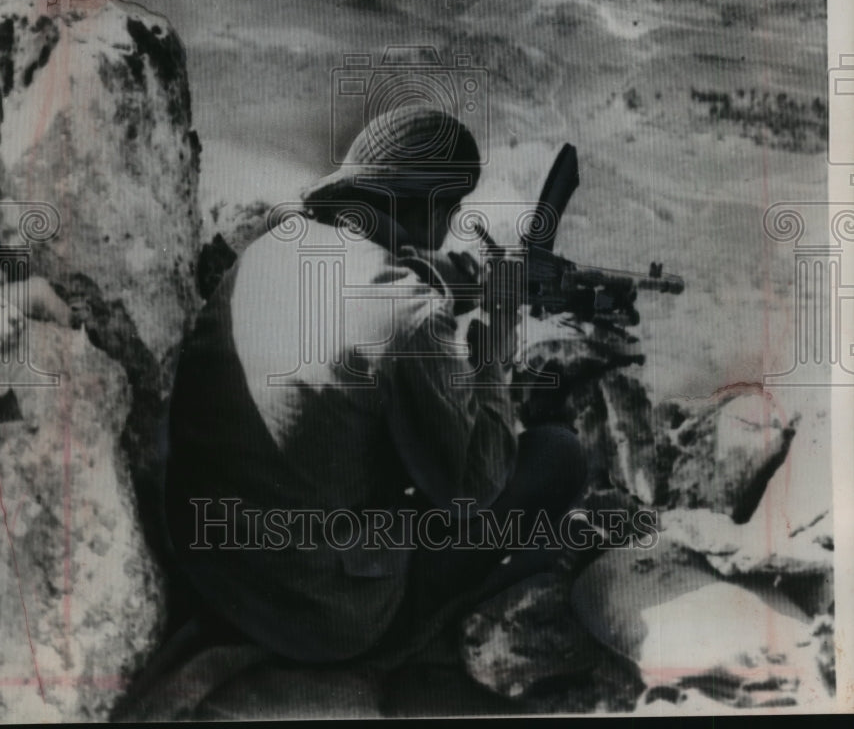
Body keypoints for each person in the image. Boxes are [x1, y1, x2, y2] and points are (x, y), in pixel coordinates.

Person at [163, 104, 586, 664]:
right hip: (317, 615)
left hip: (209, 571)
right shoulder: (407, 311)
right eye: (450, 210)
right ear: (430, 207)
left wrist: (427, 283)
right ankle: (425, 644)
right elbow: (468, 492)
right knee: (557, 456)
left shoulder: (266, 251)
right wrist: (493, 353)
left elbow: (344, 325)